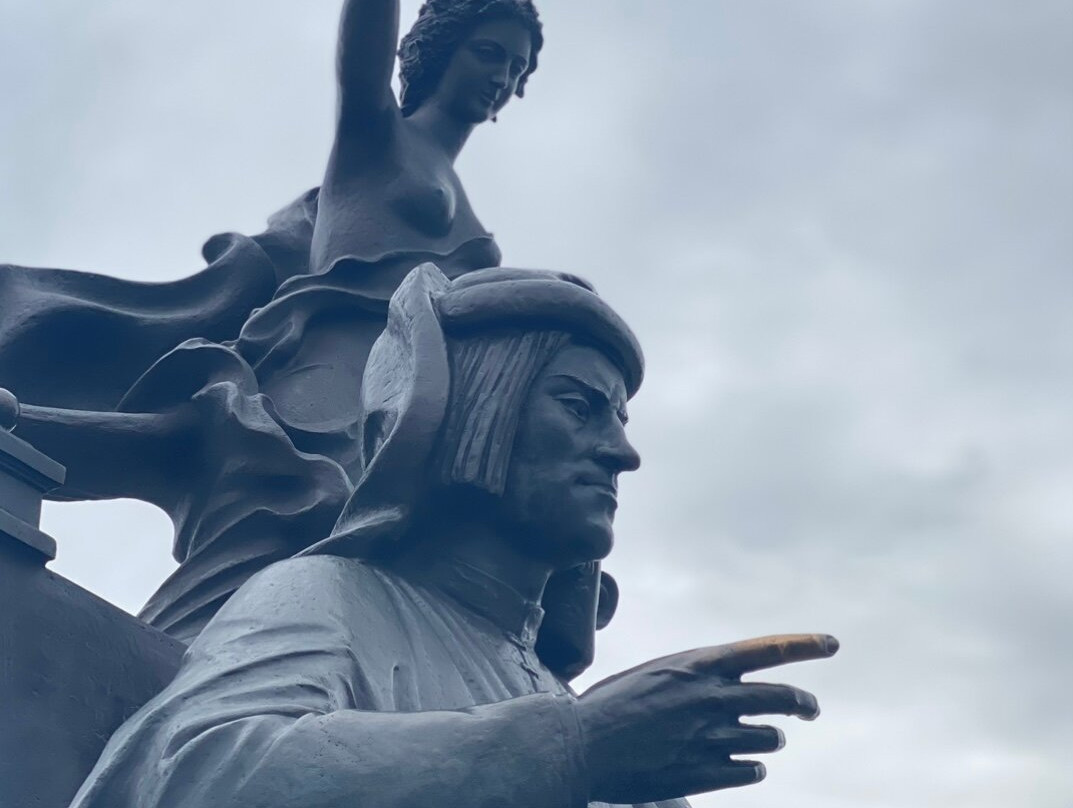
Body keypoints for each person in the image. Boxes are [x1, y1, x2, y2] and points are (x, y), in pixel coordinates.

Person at [68, 264, 839, 808]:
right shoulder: (330, 599)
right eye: (579, 406)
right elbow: (190, 779)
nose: (621, 452)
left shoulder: (548, 688)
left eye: (619, 419)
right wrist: (574, 750)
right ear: (482, 413)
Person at [3, 0, 558, 652]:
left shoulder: (464, 203)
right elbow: (366, 37)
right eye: (488, 53)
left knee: (363, 559)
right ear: (439, 49)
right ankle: (175, 669)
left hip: (401, 395)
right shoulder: (376, 134)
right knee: (294, 506)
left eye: (515, 67)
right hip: (330, 363)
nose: (501, 76)